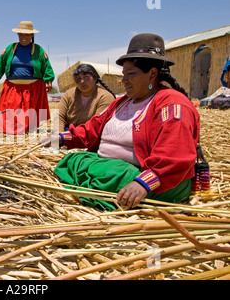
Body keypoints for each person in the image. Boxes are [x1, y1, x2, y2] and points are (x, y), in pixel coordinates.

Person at [41, 33, 200, 210]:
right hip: (109, 167)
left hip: (159, 180)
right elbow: (92, 128)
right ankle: (100, 189)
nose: (123, 81)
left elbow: (175, 156)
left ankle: (103, 191)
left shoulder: (171, 104)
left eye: (130, 74)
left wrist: (143, 183)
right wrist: (62, 138)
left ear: (152, 74)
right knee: (74, 160)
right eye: (123, 74)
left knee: (110, 173)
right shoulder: (122, 102)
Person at [0, 21, 55, 135]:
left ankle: (28, 129)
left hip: (32, 88)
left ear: (32, 36)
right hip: (12, 87)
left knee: (29, 113)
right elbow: (1, 62)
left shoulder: (38, 50)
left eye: (27, 34)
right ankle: (10, 130)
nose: (23, 37)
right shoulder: (11, 48)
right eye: (21, 34)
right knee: (10, 109)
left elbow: (46, 66)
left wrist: (48, 80)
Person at [58, 63, 115, 131]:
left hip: (91, 134)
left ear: (95, 78)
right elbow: (58, 116)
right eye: (78, 79)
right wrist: (59, 135)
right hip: (67, 131)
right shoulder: (68, 94)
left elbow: (97, 125)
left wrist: (69, 137)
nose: (82, 81)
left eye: (86, 77)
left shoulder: (105, 97)